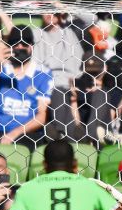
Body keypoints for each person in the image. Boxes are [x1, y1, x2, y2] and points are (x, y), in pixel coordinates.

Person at [0, 25, 53, 148]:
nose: (20, 47)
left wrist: (14, 134)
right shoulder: (0, 70)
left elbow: (42, 116)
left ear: (31, 46)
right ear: (9, 46)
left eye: (24, 43)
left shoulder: (43, 74)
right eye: (15, 43)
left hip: (29, 133)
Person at [34, 12, 85, 141]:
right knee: (59, 92)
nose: (48, 14)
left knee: (63, 92)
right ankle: (70, 135)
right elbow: (36, 66)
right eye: (45, 9)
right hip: (46, 81)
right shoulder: (37, 34)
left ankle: (59, 133)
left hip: (70, 81)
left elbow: (90, 19)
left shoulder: (68, 33)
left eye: (52, 11)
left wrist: (63, 8)